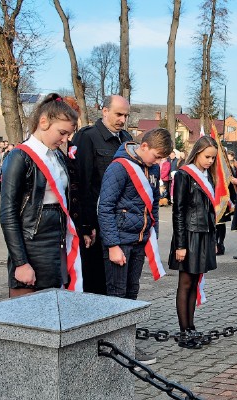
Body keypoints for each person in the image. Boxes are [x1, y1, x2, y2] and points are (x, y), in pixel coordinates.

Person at [98, 127, 172, 364]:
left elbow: (153, 206)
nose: (159, 162)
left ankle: (127, 344)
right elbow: (105, 207)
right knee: (117, 295)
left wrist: (154, 234)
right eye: (157, 156)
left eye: (162, 159)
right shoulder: (118, 168)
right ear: (144, 146)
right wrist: (112, 245)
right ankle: (117, 347)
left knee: (131, 293)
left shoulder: (153, 168)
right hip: (120, 241)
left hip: (139, 240)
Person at [0, 93, 80, 297]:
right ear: (43, 122)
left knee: (54, 307)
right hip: (31, 242)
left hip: (58, 239)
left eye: (68, 134)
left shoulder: (57, 156)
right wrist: (20, 262)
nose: (64, 139)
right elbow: (8, 214)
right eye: (61, 132)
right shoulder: (19, 156)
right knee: (27, 314)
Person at [73, 94, 133, 294]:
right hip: (97, 224)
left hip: (123, 225)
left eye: (126, 116)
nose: (122, 120)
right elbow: (82, 184)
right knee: (96, 280)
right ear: (105, 111)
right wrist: (86, 224)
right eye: (118, 114)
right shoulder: (87, 137)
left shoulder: (127, 140)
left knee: (120, 282)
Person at [169, 136, 218, 349]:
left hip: (204, 235)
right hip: (188, 235)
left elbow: (210, 211)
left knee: (195, 282)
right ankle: (184, 331)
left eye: (213, 158)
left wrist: (214, 239)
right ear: (197, 152)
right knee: (186, 283)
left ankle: (191, 327)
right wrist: (180, 245)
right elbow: (178, 211)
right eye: (207, 157)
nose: (210, 161)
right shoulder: (184, 175)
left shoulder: (209, 177)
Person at [216, 150, 237, 255]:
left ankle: (221, 243)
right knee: (214, 224)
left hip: (224, 199)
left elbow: (231, 186)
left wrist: (233, 201)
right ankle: (214, 244)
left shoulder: (227, 168)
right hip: (214, 199)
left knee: (220, 223)